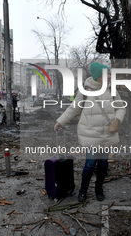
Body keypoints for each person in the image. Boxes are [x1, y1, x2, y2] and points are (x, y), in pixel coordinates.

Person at [54, 62, 126, 202]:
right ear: (99, 76)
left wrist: (118, 119)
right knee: (90, 164)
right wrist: (61, 121)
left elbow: (121, 107)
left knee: (103, 164)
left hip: (107, 133)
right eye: (107, 74)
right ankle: (83, 190)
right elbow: (74, 107)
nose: (110, 76)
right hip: (90, 134)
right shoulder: (86, 89)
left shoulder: (112, 90)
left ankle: (99, 189)